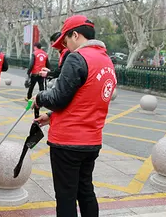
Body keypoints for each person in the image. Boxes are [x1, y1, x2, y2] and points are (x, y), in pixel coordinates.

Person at [32, 15, 117, 217]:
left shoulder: (77, 58)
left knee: (66, 196)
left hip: (68, 142)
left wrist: (40, 97)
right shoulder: (107, 61)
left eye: (66, 41)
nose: (66, 47)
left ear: (75, 35)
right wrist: (51, 117)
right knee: (85, 190)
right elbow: (84, 100)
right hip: (92, 141)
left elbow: (59, 97)